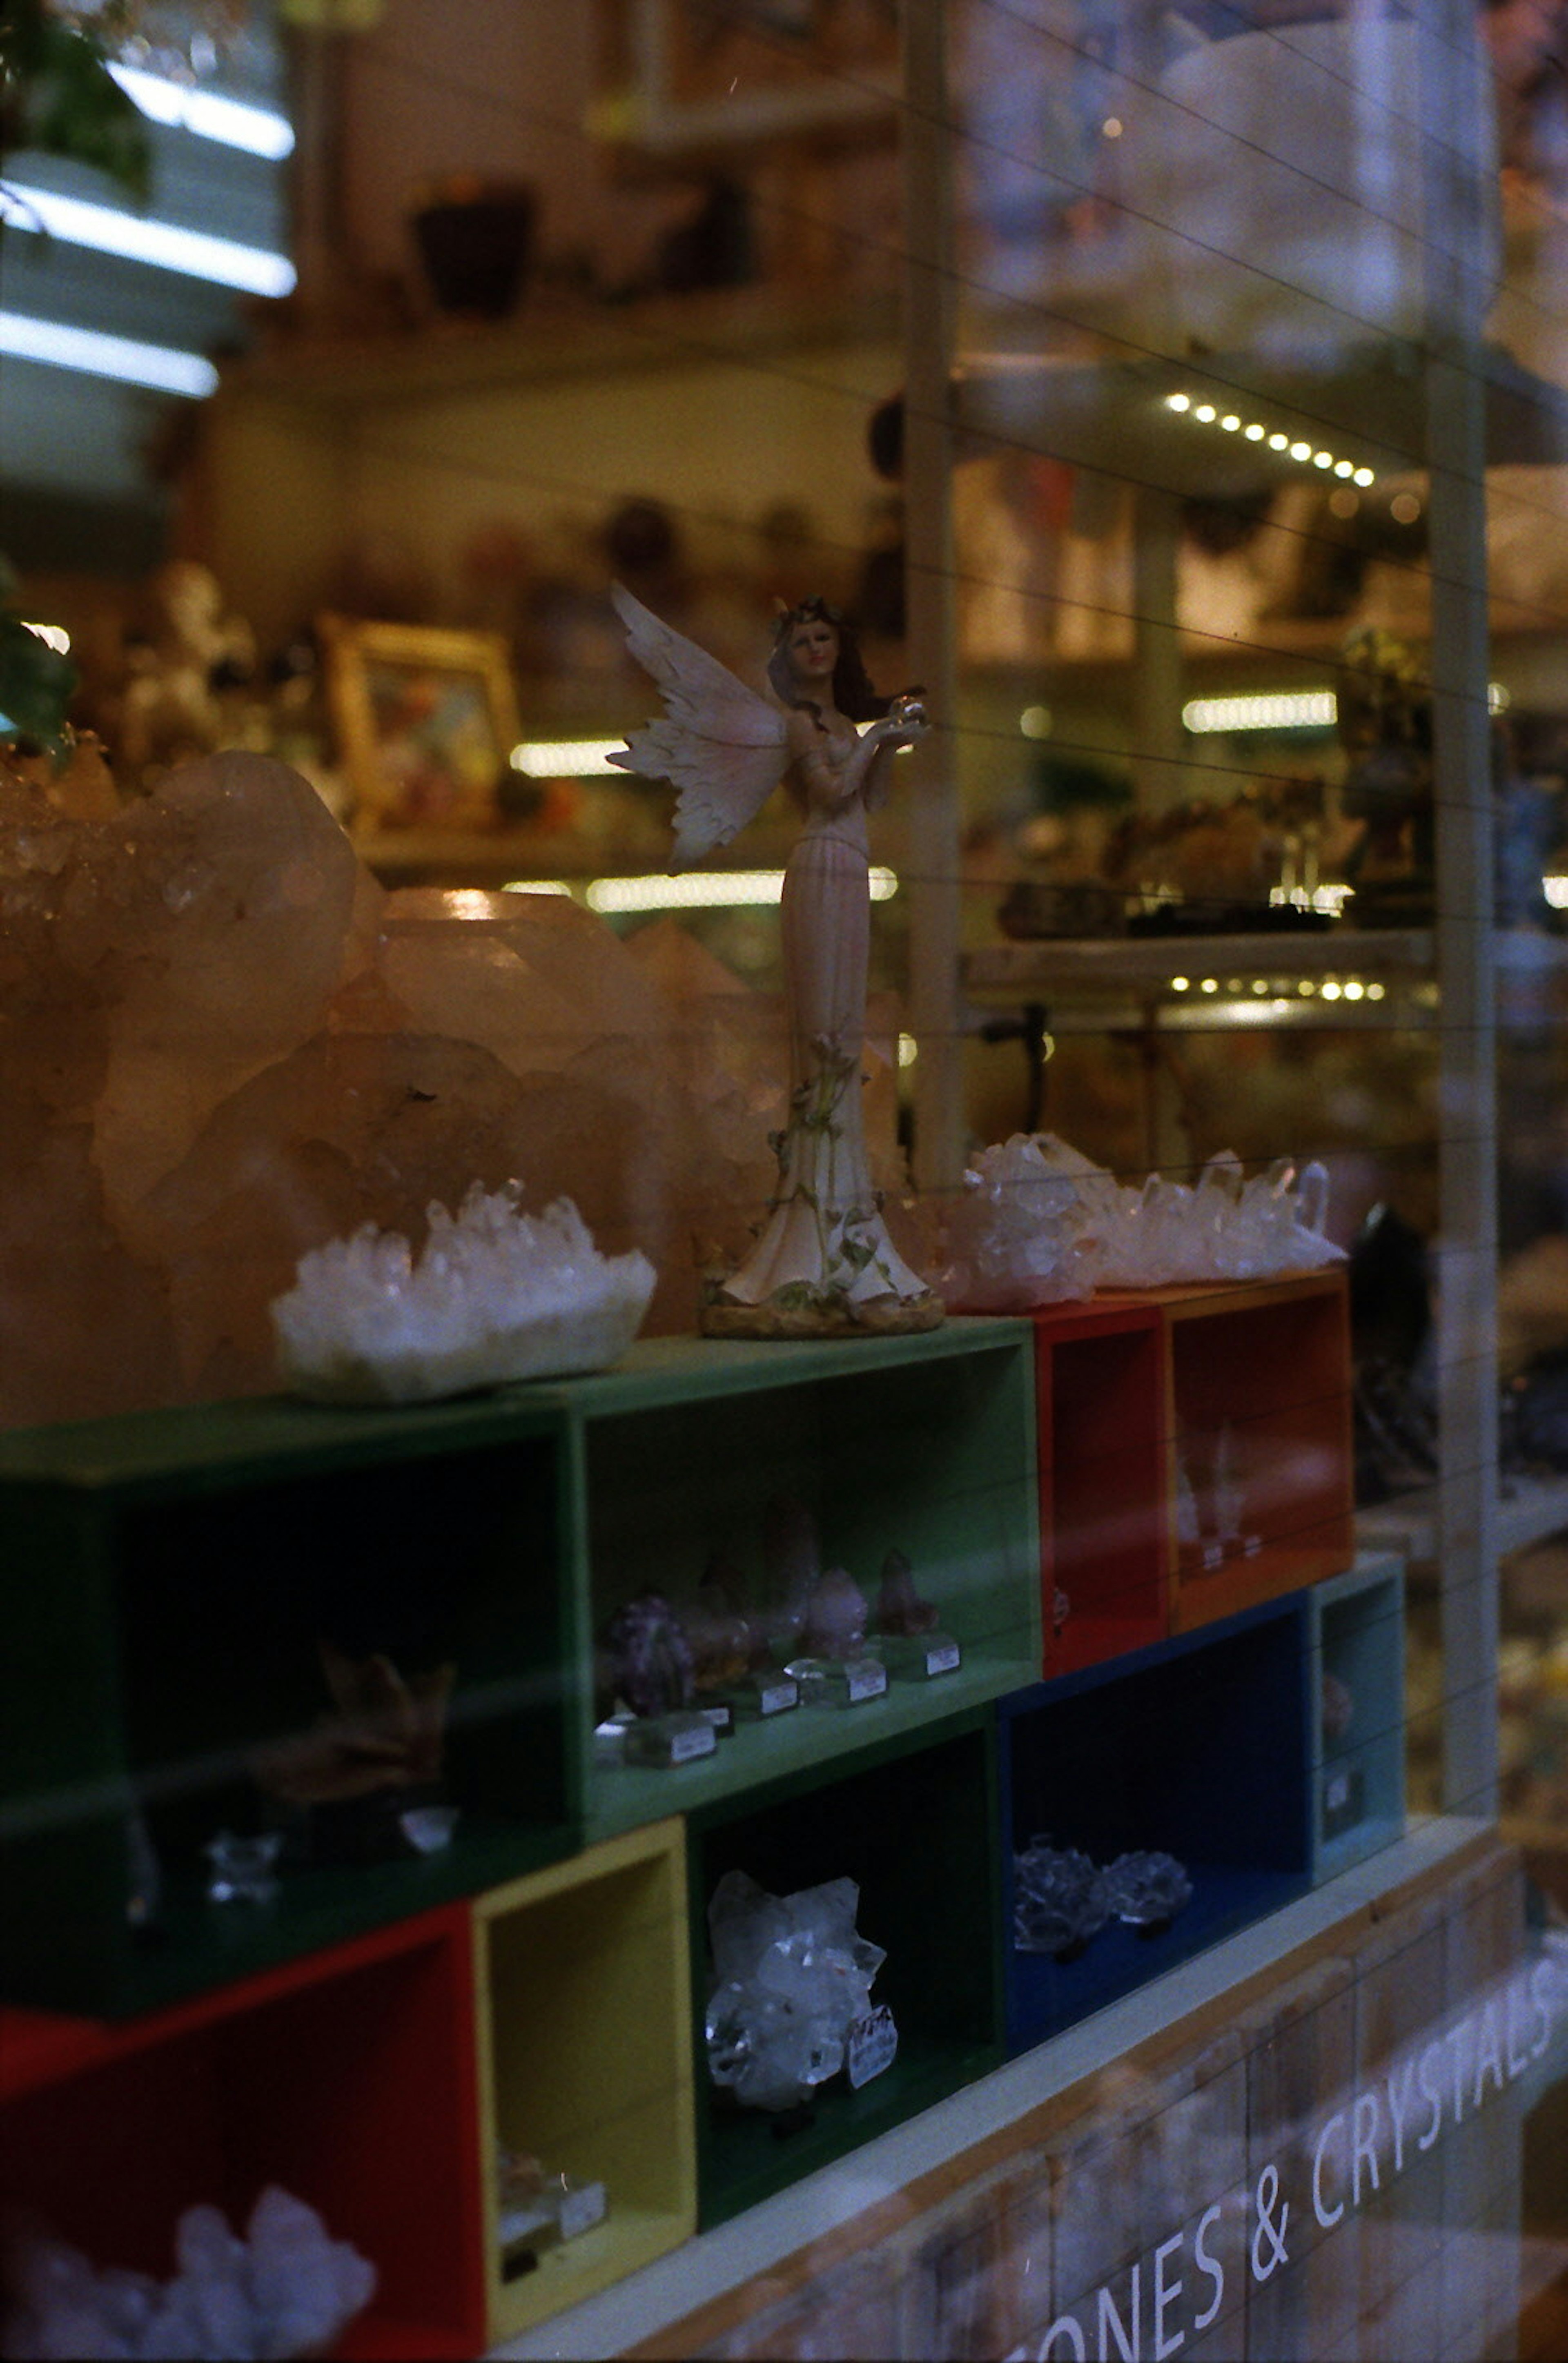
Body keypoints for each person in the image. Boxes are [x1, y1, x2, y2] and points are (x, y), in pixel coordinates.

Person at [706, 597, 940, 1334]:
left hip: (852, 867)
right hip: (819, 869)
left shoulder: (839, 725)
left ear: (841, 649)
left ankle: (848, 1233)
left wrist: (889, 745)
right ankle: (807, 1238)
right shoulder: (801, 726)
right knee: (822, 1041)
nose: (814, 649)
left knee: (844, 1029)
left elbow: (868, 798)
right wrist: (879, 741)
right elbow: (834, 793)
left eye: (824, 638)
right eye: (801, 640)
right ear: (789, 652)